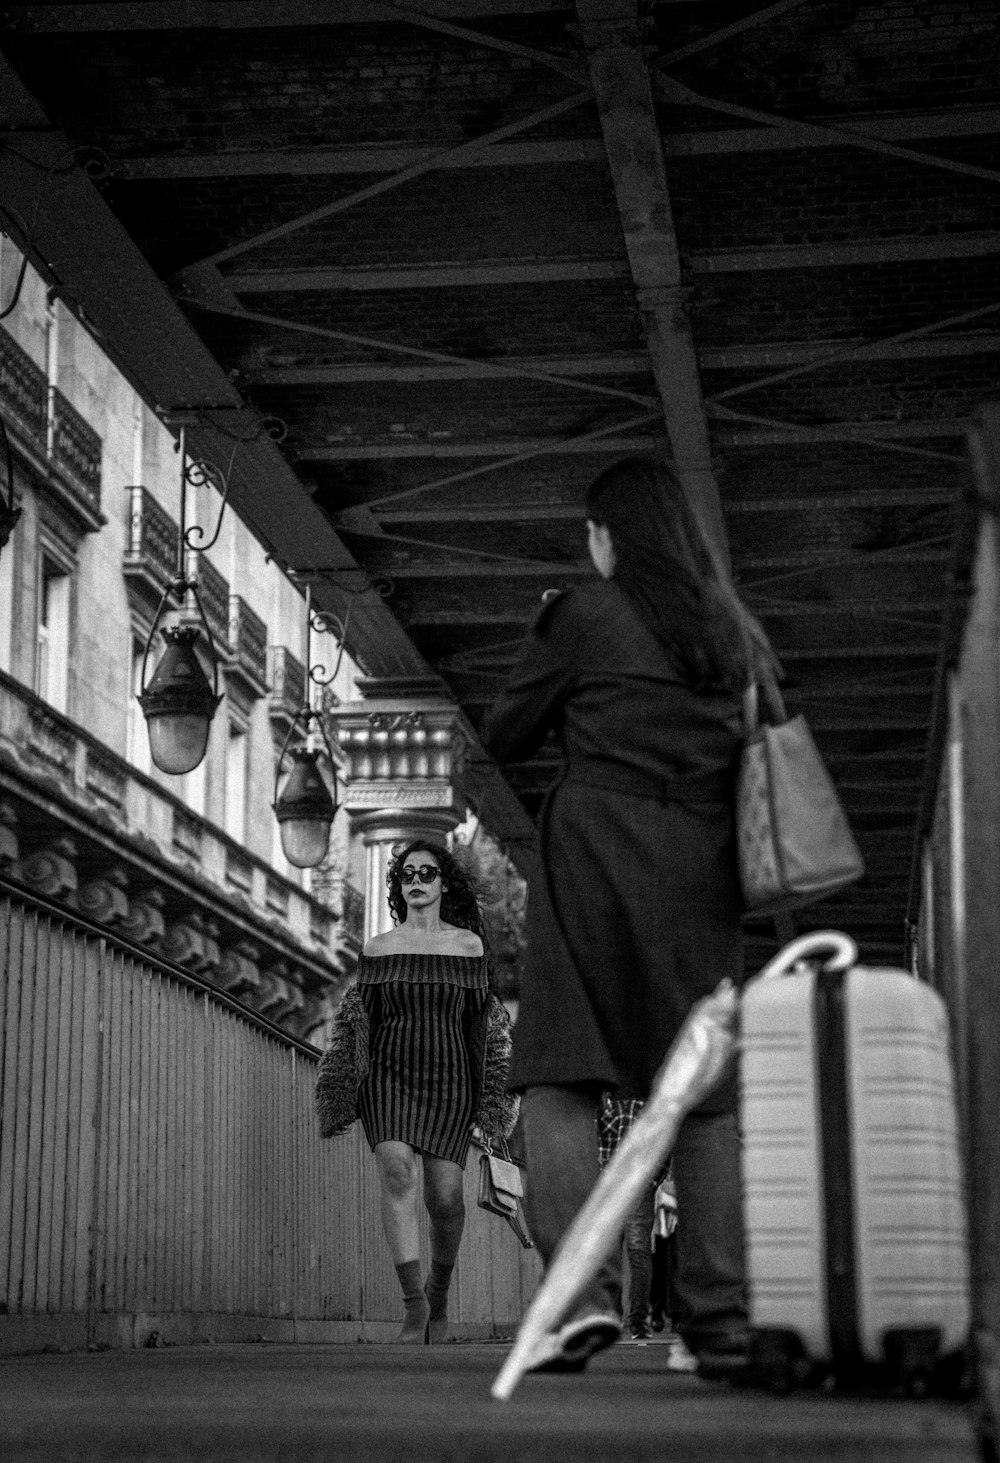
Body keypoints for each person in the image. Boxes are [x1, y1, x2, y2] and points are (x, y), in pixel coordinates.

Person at [482, 454, 777, 1374]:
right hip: (703, 867)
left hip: (594, 858)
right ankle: (721, 1316)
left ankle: (578, 1304)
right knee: (704, 1090)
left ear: (610, 537)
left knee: (563, 1075)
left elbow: (505, 734)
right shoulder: (732, 630)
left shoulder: (582, 614)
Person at [315, 839, 519, 1344]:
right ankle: (413, 1306)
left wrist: (490, 1098)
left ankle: (440, 1294)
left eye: (428, 873)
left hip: (451, 1080)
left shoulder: (468, 947)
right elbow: (358, 1020)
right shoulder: (378, 949)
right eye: (408, 875)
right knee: (396, 1170)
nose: (418, 882)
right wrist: (345, 1080)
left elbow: (484, 1027)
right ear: (399, 885)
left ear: (443, 883)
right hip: (388, 1076)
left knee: (446, 1197)